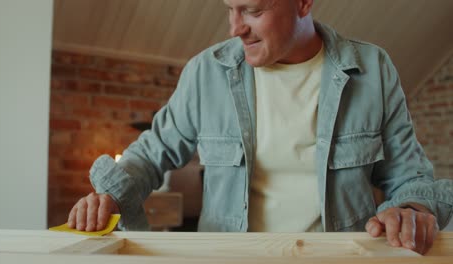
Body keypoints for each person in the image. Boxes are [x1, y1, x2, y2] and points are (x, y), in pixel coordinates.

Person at [67, 0, 453, 255]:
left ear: (303, 2)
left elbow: (411, 177)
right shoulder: (206, 72)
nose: (236, 27)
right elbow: (150, 154)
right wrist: (110, 197)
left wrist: (409, 208)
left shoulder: (374, 70)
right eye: (230, 8)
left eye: (252, 10)